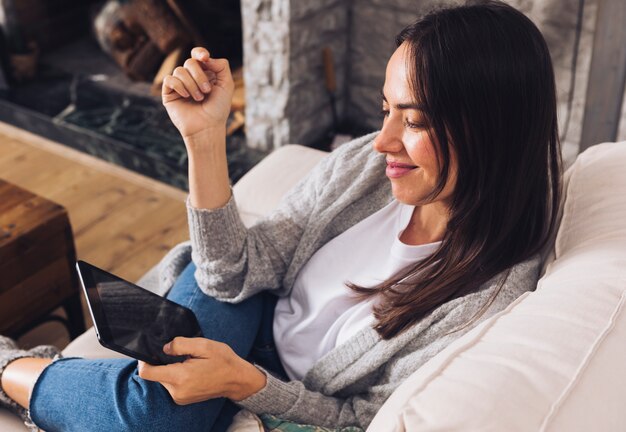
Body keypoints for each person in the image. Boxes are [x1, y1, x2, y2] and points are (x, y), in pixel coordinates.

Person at [0, 1, 562, 430]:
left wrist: (245, 384)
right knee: (156, 411)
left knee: (155, 414)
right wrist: (204, 140)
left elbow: (356, 419)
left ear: (491, 131)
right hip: (250, 299)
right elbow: (230, 272)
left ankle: (14, 369)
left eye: (413, 122)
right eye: (385, 110)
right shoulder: (366, 171)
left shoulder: (487, 296)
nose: (380, 142)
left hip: (273, 375)